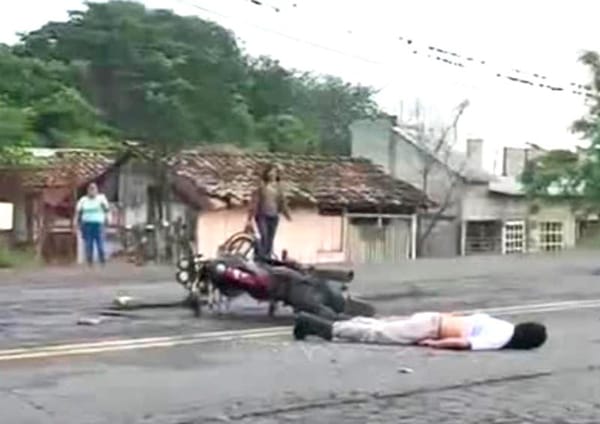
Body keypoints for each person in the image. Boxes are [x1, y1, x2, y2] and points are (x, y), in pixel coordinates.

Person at [293, 310, 547, 351]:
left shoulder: (504, 325)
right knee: (379, 335)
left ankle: (329, 319)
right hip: (434, 329)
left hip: (437, 318)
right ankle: (317, 325)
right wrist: (435, 345)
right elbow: (464, 344)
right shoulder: (501, 338)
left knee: (381, 326)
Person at [245, 163, 291, 259]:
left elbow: (282, 202)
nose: (273, 174)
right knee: (264, 237)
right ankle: (261, 258)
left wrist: (287, 215)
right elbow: (254, 202)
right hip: (262, 216)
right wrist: (249, 219)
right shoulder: (261, 186)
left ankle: (267, 258)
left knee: (270, 240)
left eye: (275, 172)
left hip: (274, 217)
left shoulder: (279, 187)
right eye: (271, 172)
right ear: (267, 173)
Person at [75, 182, 110, 265]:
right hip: (87, 224)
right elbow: (78, 212)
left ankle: (102, 260)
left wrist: (108, 219)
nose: (92, 191)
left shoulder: (101, 198)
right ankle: (89, 261)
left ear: (97, 190)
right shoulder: (83, 200)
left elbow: (106, 210)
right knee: (88, 244)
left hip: (98, 224)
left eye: (94, 189)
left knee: (100, 243)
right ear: (87, 191)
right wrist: (75, 222)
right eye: (90, 189)